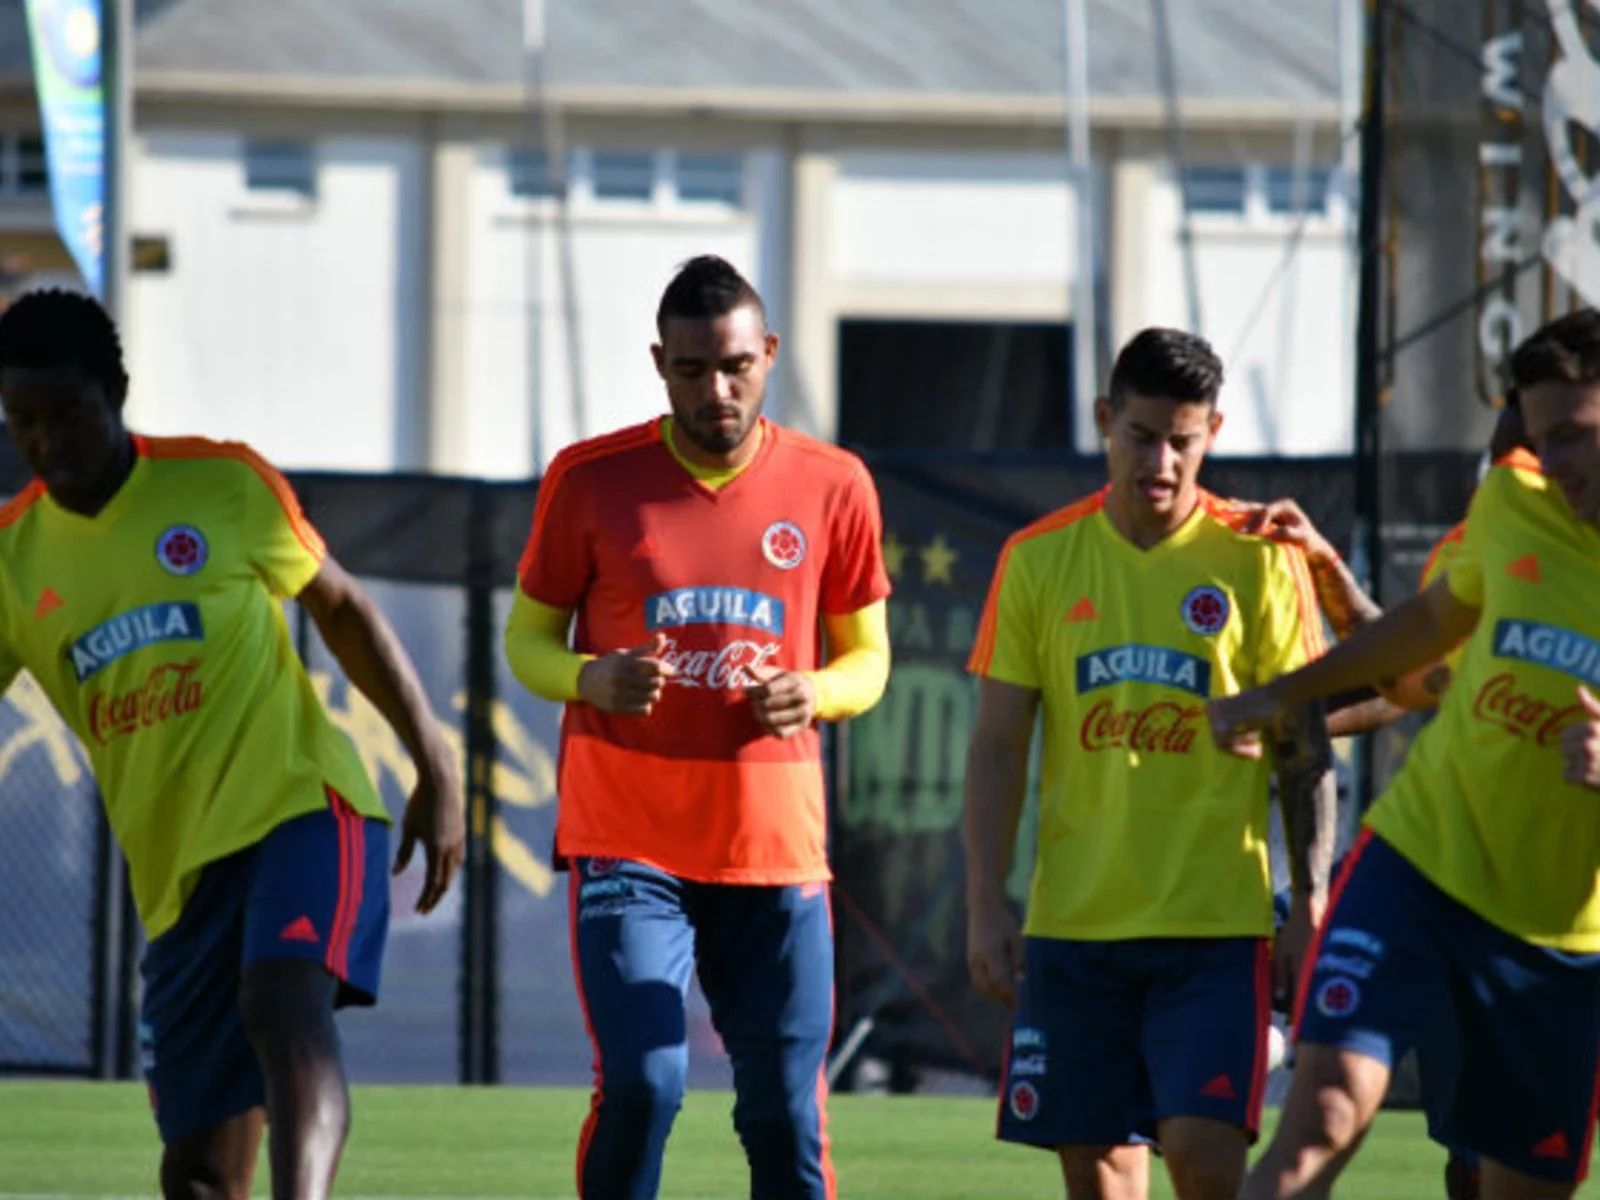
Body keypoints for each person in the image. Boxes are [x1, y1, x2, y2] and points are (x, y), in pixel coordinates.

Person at [0, 289, 464, 1200]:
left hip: (304, 808)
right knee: (202, 1176)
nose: (48, 443)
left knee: (281, 999)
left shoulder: (222, 483)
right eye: (24, 423)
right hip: (178, 886)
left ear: (117, 391)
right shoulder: (14, 558)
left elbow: (342, 606)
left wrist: (435, 763)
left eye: (68, 415)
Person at [504, 254, 892, 1200]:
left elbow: (869, 661)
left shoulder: (834, 483)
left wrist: (816, 691)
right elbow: (525, 641)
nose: (716, 389)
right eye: (691, 369)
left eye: (735, 366)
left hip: (774, 851)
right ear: (659, 365)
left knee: (785, 1114)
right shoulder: (590, 478)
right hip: (631, 843)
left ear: (769, 355)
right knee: (644, 1083)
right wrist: (589, 676)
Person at [1209, 308, 1600, 1200]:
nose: (1556, 461)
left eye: (1577, 434)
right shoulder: (1513, 502)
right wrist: (1285, 692)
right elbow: (1428, 630)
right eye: (1543, 439)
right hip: (1420, 865)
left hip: (1557, 937)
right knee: (1323, 1118)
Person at [963, 327, 1338, 1200]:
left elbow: (1305, 742)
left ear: (1213, 433)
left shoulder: (1260, 557)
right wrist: (985, 903)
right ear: (1104, 420)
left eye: (1183, 440)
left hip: (1216, 928)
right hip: (1075, 927)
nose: (1161, 462)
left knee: (1205, 1158)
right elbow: (997, 746)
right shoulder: (1038, 557)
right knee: (1099, 1179)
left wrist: (1310, 897)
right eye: (1140, 436)